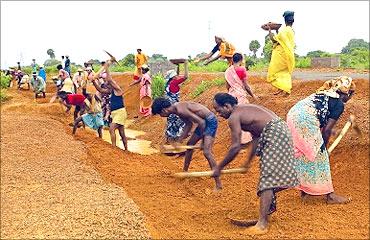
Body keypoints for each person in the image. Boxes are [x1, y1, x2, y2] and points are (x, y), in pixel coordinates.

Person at [212, 93, 298, 234]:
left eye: (218, 110)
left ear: (227, 106)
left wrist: (219, 167)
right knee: (269, 175)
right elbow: (257, 138)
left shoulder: (234, 117)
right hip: (279, 131)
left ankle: (262, 224)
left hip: (275, 134)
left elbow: (235, 147)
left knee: (268, 179)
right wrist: (247, 162)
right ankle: (265, 215)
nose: (218, 114)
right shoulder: (244, 110)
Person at [286, 76, 355, 204]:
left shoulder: (324, 94)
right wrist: (323, 149)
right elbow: (327, 130)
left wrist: (322, 142)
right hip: (304, 121)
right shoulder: (339, 104)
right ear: (347, 93)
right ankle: (330, 196)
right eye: (351, 95)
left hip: (292, 116)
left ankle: (305, 192)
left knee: (305, 154)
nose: (350, 98)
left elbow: (322, 123)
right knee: (320, 155)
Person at [152, 97, 222, 190]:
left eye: (160, 113)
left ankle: (218, 184)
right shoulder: (177, 110)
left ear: (164, 110)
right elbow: (189, 124)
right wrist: (179, 141)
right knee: (189, 146)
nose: (161, 116)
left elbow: (202, 123)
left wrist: (203, 141)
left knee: (207, 152)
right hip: (204, 122)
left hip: (210, 121)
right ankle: (185, 172)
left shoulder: (180, 110)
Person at [91, 59, 128, 150]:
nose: (106, 85)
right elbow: (100, 90)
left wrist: (107, 66)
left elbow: (109, 79)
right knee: (122, 133)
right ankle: (126, 149)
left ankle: (113, 148)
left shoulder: (118, 90)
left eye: (108, 84)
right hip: (115, 113)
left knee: (111, 128)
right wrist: (93, 82)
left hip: (120, 112)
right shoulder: (110, 91)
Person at [225, 53, 258, 144]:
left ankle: (236, 139)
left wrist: (232, 92)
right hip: (240, 96)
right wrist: (253, 95)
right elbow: (246, 86)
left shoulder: (228, 71)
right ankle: (245, 140)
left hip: (231, 96)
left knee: (235, 117)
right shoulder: (241, 69)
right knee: (244, 118)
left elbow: (227, 85)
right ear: (241, 60)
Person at [266, 11, 295, 96]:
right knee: (284, 72)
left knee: (275, 71)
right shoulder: (291, 31)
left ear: (285, 20)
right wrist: (277, 30)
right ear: (292, 21)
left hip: (281, 55)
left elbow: (274, 39)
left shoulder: (284, 31)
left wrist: (269, 30)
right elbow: (281, 39)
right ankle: (282, 89)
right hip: (288, 55)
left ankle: (286, 90)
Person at [164, 61, 189, 142]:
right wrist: (185, 65)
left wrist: (177, 66)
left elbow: (177, 76)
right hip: (174, 107)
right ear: (173, 77)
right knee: (181, 121)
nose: (177, 76)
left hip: (168, 107)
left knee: (171, 122)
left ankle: (169, 139)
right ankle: (178, 138)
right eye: (175, 76)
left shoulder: (168, 83)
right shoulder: (174, 83)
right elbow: (186, 77)